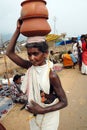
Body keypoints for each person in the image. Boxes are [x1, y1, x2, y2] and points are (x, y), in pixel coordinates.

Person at [6, 19, 68, 130]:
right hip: (34, 115)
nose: (31, 58)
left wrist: (42, 110)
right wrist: (18, 30)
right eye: (29, 54)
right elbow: (9, 53)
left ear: (45, 53)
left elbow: (64, 102)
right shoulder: (30, 67)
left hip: (49, 117)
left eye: (35, 54)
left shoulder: (52, 75)